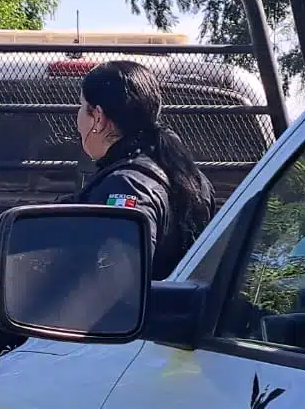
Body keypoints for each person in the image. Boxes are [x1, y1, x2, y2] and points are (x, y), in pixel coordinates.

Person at [68, 60, 214, 279]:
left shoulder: (125, 186)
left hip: (146, 314)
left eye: (80, 106)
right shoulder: (194, 179)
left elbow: (114, 286)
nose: (77, 120)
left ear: (98, 117)